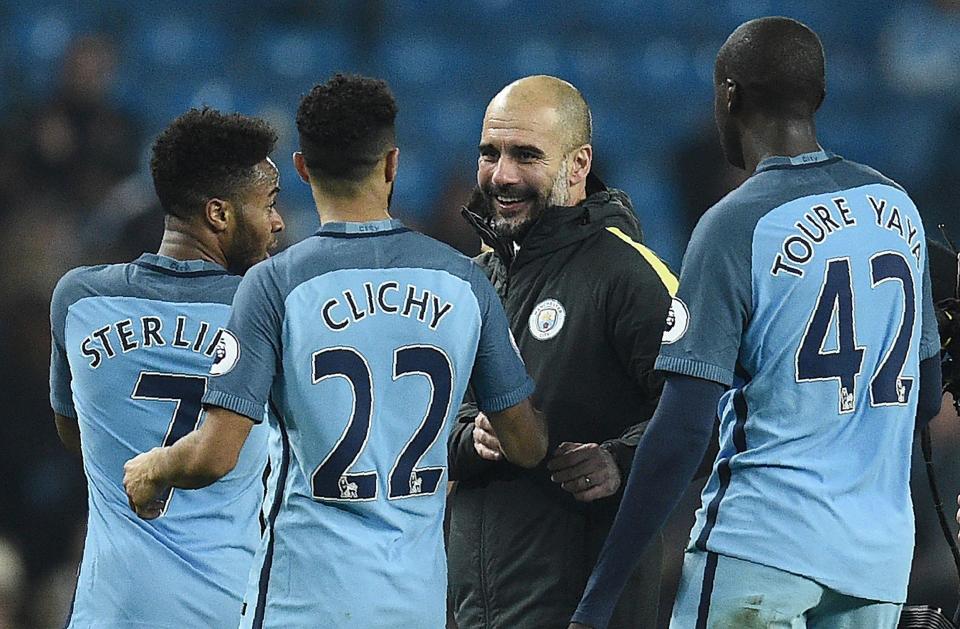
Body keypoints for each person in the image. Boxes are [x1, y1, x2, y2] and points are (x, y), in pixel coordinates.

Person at [122, 74, 548, 628]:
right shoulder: (463, 281)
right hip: (415, 607)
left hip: (304, 604)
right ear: (393, 164)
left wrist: (153, 468)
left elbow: (212, 456)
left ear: (301, 168)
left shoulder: (275, 286)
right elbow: (526, 444)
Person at [569, 17, 943, 629]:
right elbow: (925, 397)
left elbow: (684, 429)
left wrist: (600, 595)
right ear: (818, 97)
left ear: (730, 95)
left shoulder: (735, 224)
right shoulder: (896, 206)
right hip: (878, 561)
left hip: (762, 547)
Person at [447, 75, 676, 629]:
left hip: (585, 608)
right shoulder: (472, 281)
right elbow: (431, 431)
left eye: (526, 155)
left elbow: (705, 411)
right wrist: (468, 439)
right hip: (475, 609)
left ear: (578, 166)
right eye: (490, 153)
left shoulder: (629, 275)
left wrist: (620, 458)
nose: (501, 175)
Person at [49, 107, 285, 628]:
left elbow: (75, 434)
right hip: (229, 611)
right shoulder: (269, 310)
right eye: (268, 203)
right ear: (219, 214)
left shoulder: (79, 299)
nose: (277, 221)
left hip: (109, 614)